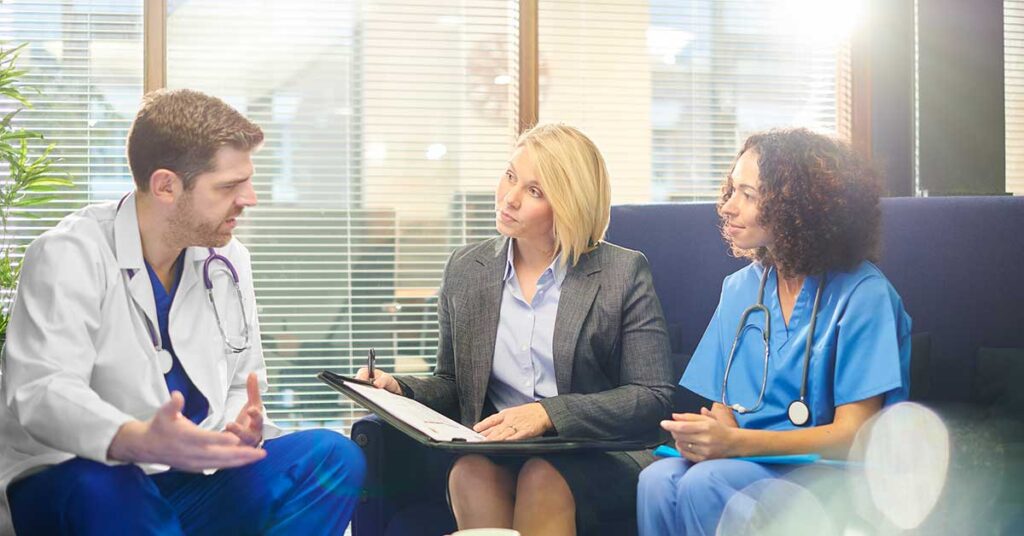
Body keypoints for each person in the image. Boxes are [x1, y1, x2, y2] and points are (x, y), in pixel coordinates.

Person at [0, 88, 365, 535]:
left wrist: (236, 426)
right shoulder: (69, 254)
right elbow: (41, 392)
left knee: (332, 458)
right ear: (166, 185)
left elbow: (240, 383)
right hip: (86, 476)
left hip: (190, 480)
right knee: (106, 484)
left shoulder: (228, 261)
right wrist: (133, 438)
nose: (249, 198)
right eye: (229, 186)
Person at [355, 123, 674, 535]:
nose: (510, 198)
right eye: (510, 176)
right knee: (468, 471)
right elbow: (455, 383)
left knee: (542, 477)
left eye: (534, 191)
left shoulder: (622, 272)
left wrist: (548, 414)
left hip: (591, 451)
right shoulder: (466, 269)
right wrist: (401, 390)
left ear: (569, 205)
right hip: (496, 449)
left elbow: (652, 395)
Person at [636, 128, 912, 535]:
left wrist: (734, 446)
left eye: (748, 195)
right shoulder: (740, 289)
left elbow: (854, 434)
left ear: (798, 206)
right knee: (656, 481)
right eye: (731, 190)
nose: (728, 207)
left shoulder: (864, 294)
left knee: (704, 483)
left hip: (832, 474)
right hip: (746, 462)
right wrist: (710, 437)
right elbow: (725, 402)